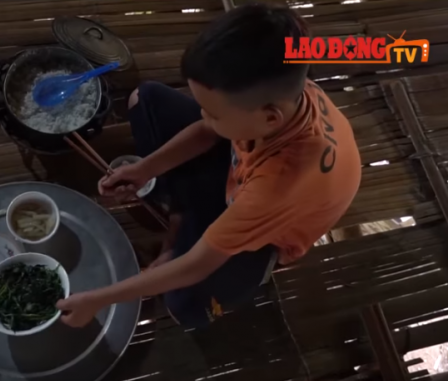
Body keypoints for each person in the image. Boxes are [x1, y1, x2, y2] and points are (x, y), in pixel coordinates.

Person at [57, 3, 361, 328]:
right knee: (145, 99)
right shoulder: (285, 95)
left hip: (264, 234)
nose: (203, 115)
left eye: (213, 112)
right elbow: (207, 131)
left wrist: (97, 300)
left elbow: (197, 266)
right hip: (239, 178)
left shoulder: (279, 185)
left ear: (270, 118)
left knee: (185, 304)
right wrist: (144, 170)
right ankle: (183, 223)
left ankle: (185, 226)